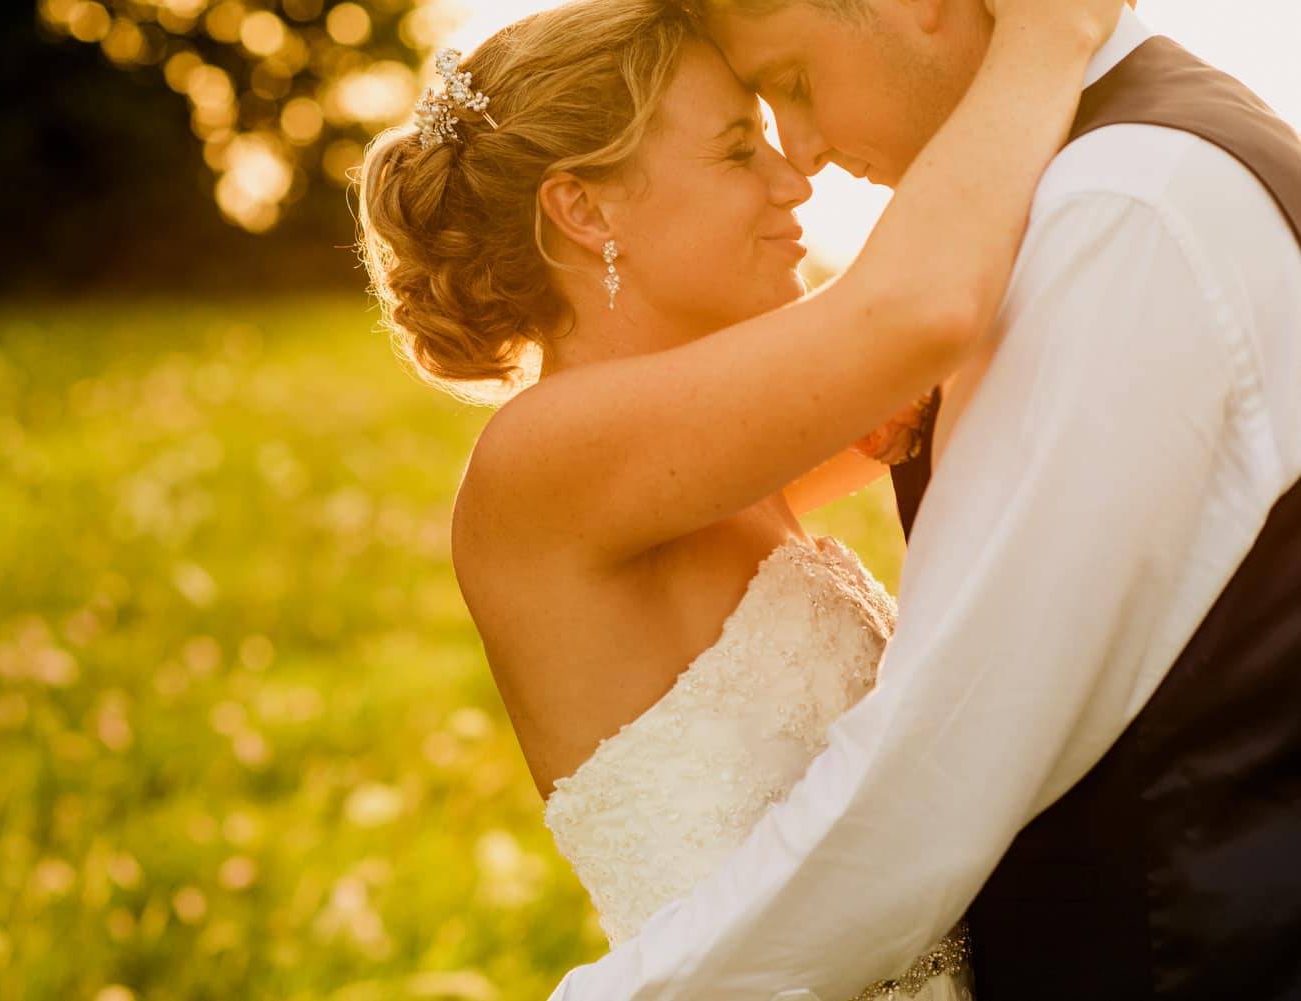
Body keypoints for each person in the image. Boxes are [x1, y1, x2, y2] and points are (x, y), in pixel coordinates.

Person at [360, 0, 1126, 997]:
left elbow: (934, 330)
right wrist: (1043, 38)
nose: (792, 174)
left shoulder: (707, 462)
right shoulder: (538, 459)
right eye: (735, 152)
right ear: (584, 211)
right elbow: (920, 306)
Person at [546, 1, 1301, 999]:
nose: (801, 156)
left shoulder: (1119, 206)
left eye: (797, 86)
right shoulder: (1120, 176)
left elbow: (946, 765)